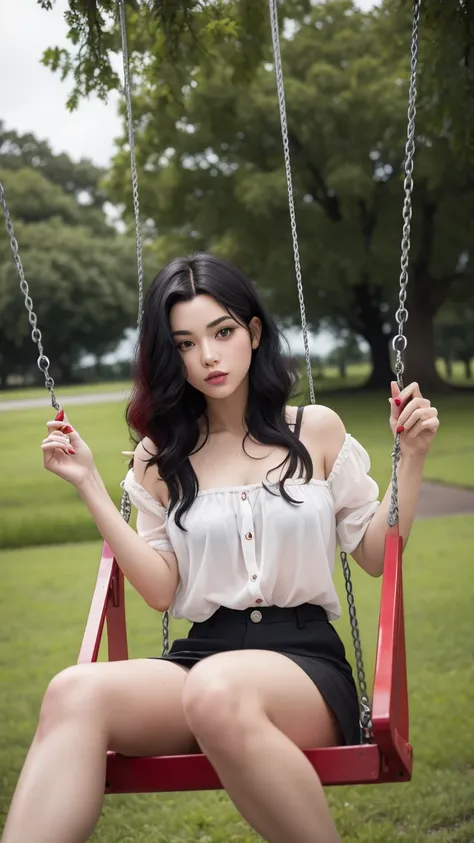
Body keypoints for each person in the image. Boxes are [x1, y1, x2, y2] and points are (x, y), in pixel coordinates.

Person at [1, 253, 439, 843]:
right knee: (74, 690)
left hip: (303, 667)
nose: (207, 356)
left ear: (253, 334)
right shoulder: (162, 458)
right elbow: (160, 591)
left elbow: (377, 556)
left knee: (218, 689)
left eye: (223, 332)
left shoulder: (316, 430)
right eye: (185, 343)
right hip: (202, 658)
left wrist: (409, 459)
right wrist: (88, 484)